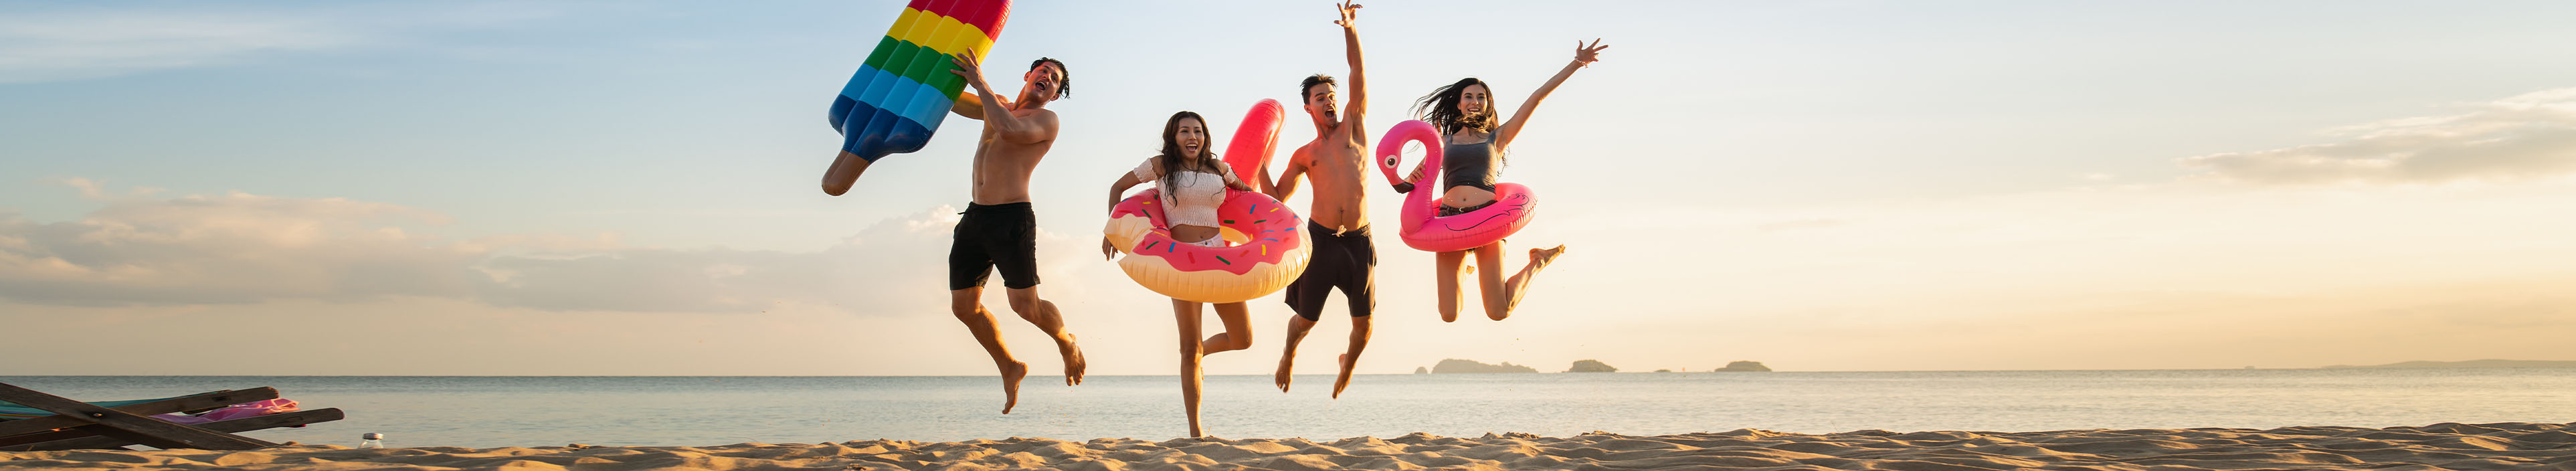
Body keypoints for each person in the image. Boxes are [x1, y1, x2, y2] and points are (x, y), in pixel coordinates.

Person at [1400, 39, 1604, 322]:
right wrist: (1412, 178)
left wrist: (1577, 63)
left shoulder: (1498, 138)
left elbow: (1537, 97)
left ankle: (1537, 262)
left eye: (1481, 97)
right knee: (1449, 314)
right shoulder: (1441, 142)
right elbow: (1418, 181)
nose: (1475, 102)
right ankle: (1466, 271)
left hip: (1487, 220)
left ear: (1487, 104)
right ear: (1459, 104)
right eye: (1469, 97)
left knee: (1499, 311)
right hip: (1448, 219)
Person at [940, 51, 1085, 414]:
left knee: (1025, 307)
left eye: (1055, 81)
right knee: (964, 308)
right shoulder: (997, 104)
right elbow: (950, 100)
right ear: (1028, 74)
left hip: (1011, 219)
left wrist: (981, 82)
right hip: (974, 218)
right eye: (1044, 72)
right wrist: (935, 65)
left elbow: (1009, 129)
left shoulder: (1045, 120)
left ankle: (1066, 341)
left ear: (1054, 95)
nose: (1048, 79)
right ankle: (1009, 365)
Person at [1102, 111, 1261, 437]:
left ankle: (1199, 352)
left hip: (1219, 257)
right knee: (1188, 348)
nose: (1192, 137)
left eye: (1198, 131)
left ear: (1205, 137)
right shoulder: (1162, 165)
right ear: (1173, 137)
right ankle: (1196, 431)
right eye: (1184, 131)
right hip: (1182, 263)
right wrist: (1112, 229)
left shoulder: (1219, 169)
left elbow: (1249, 197)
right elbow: (1118, 187)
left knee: (1243, 339)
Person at [1267, 1, 1376, 399]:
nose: (1329, 100)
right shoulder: (1305, 154)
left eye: (1331, 95)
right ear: (1308, 107)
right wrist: (1262, 162)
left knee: (1364, 326)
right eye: (1320, 97)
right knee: (1305, 320)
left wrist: (1350, 29)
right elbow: (1276, 197)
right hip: (1321, 241)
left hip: (1358, 240)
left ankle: (1349, 363)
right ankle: (1288, 354)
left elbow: (1357, 73)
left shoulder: (1354, 127)